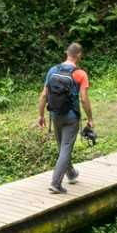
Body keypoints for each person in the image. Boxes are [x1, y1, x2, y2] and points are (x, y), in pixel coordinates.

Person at [35, 42, 94, 194]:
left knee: (63, 147)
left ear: (67, 53)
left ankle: (71, 173)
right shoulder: (80, 74)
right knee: (66, 148)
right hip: (71, 117)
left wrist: (41, 115)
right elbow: (84, 99)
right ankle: (55, 184)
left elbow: (43, 95)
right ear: (79, 55)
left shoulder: (53, 70)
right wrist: (90, 118)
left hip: (55, 115)